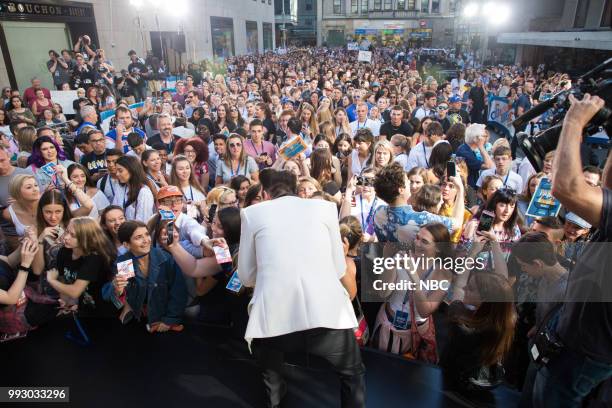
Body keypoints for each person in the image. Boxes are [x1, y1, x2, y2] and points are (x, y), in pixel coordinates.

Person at [237, 170, 365, 408]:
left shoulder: (252, 213)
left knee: (272, 377)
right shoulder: (325, 209)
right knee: (352, 375)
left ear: (264, 193)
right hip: (328, 315)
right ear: (296, 190)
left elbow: (246, 276)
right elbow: (338, 269)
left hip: (274, 318)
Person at [105, 220, 187, 330]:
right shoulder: (125, 262)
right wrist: (117, 290)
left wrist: (170, 320)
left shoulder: (165, 258)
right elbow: (117, 296)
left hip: (162, 319)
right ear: (126, 245)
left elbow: (178, 292)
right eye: (138, 237)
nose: (146, 240)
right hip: (137, 320)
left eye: (147, 234)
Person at [45, 217, 116, 317]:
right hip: (80, 306)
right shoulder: (64, 251)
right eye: (67, 232)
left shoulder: (94, 258)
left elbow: (75, 291)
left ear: (86, 238)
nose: (66, 237)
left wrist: (52, 281)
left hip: (100, 309)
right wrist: (66, 302)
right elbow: (63, 280)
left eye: (73, 235)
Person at [339, 167, 386, 241]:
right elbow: (343, 222)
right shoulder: (351, 199)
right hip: (353, 243)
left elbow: (386, 235)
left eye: (370, 181)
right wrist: (349, 190)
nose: (366, 185)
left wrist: (371, 239)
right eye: (363, 180)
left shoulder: (383, 205)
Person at [112, 156, 155, 223]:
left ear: (132, 170)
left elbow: (143, 221)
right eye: (116, 171)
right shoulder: (120, 188)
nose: (117, 174)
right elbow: (114, 210)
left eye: (120, 171)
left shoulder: (144, 192)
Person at [456, 123, 495, 188]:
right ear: (476, 138)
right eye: (484, 136)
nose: (486, 138)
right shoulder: (465, 153)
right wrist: (481, 146)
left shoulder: (466, 149)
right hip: (467, 189)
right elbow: (489, 166)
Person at [170, 155, 207, 219]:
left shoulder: (198, 188)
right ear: (174, 171)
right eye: (181, 169)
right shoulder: (171, 191)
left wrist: (198, 205)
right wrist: (184, 208)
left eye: (187, 168)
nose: (185, 171)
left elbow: (205, 214)